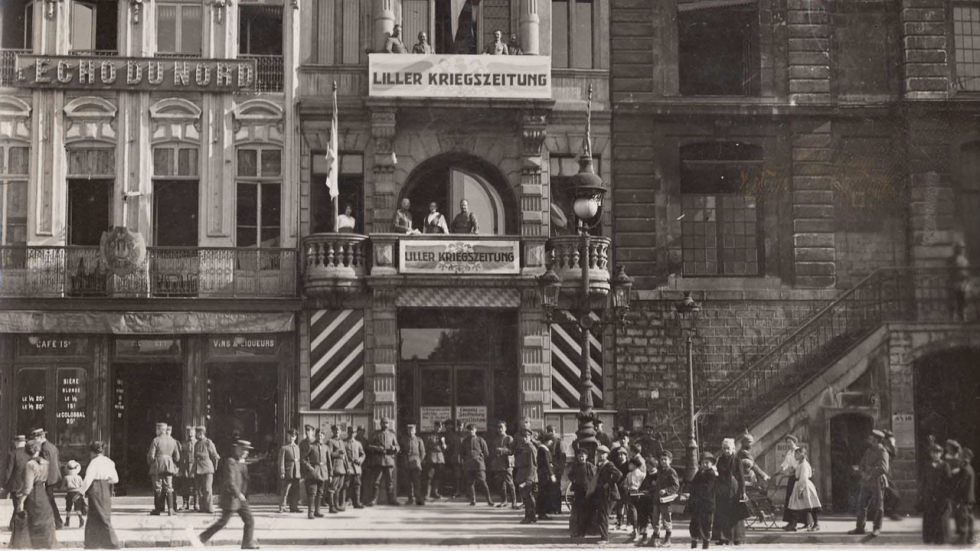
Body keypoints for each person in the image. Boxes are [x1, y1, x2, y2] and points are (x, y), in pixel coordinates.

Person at [195, 440, 258, 550]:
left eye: (247, 450)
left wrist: (244, 495)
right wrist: (238, 494)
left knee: (249, 520)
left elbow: (245, 480)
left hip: (240, 499)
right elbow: (230, 481)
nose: (245, 452)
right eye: (243, 449)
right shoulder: (231, 462)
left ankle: (247, 543)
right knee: (222, 522)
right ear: (237, 449)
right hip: (231, 498)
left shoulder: (241, 463)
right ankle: (201, 538)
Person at [15, 441, 58, 549]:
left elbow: (28, 487)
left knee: (32, 520)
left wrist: (21, 502)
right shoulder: (45, 462)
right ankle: (45, 544)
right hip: (42, 493)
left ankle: (34, 545)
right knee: (44, 518)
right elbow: (42, 480)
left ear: (26, 451)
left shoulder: (29, 464)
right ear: (38, 450)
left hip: (32, 495)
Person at [848, 429, 889, 537]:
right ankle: (860, 527)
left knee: (878, 506)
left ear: (876, 440)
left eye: (871, 438)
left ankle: (877, 528)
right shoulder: (869, 451)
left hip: (877, 481)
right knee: (862, 504)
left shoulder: (883, 452)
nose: (869, 440)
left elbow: (884, 468)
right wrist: (862, 473)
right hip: (866, 481)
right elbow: (862, 464)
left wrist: (871, 474)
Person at [80, 441, 120, 549]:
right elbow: (115, 479)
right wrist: (105, 480)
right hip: (105, 488)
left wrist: (81, 491)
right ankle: (96, 543)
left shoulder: (94, 463)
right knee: (103, 514)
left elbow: (88, 479)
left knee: (96, 516)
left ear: (92, 452)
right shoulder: (109, 462)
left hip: (95, 488)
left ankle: (111, 543)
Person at [713, 438, 747, 546]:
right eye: (724, 448)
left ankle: (737, 538)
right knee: (722, 513)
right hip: (722, 490)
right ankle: (724, 538)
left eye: (728, 448)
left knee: (734, 514)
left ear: (733, 448)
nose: (726, 450)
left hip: (734, 490)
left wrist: (743, 491)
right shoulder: (720, 460)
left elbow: (741, 477)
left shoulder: (737, 460)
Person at [30, 428, 64, 531]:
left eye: (36, 438)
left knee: (49, 501)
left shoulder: (43, 449)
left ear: (40, 437)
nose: (35, 441)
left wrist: (43, 479)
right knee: (49, 500)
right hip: (54, 477)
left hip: (48, 478)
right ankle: (56, 522)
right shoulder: (52, 446)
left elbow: (45, 465)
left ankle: (58, 522)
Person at [589, 445, 622, 543]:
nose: (600, 455)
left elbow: (618, 474)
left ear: (607, 455)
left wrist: (609, 483)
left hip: (610, 494)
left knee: (603, 515)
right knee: (602, 514)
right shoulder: (600, 465)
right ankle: (604, 534)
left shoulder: (609, 464)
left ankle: (604, 538)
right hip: (603, 494)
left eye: (602, 454)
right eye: (598, 453)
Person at [920, 442, 951, 544]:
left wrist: (945, 495)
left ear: (941, 454)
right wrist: (922, 494)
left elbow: (948, 482)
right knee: (929, 516)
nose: (935, 455)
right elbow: (924, 481)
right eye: (933, 452)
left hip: (940, 495)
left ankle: (941, 539)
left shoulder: (945, 465)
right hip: (928, 494)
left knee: (940, 517)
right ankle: (928, 538)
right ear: (930, 454)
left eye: (938, 452)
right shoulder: (927, 465)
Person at [148, 421, 180, 516]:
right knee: (169, 487)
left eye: (157, 429)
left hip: (157, 466)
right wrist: (171, 461)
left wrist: (150, 463)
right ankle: (170, 510)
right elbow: (177, 457)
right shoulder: (173, 441)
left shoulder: (156, 440)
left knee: (158, 487)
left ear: (160, 430)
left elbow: (151, 455)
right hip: (169, 466)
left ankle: (157, 510)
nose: (156, 431)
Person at [367, 417, 400, 506]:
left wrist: (394, 448)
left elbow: (397, 447)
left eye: (386, 423)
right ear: (380, 424)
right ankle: (374, 499)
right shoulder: (376, 434)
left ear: (389, 424)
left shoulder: (392, 435)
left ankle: (391, 500)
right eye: (383, 423)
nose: (385, 425)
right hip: (379, 461)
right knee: (376, 481)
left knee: (389, 482)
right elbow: (369, 446)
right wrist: (377, 448)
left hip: (389, 461)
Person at [787, 447, 821, 531]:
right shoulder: (800, 464)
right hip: (799, 485)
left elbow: (804, 478)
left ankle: (816, 524)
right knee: (796, 505)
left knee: (810, 505)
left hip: (804, 486)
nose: (794, 456)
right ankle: (796, 524)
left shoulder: (804, 465)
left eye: (796, 454)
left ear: (801, 454)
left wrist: (801, 489)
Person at [689, 452, 718, 550]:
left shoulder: (711, 474)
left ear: (711, 464)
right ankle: (694, 542)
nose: (705, 465)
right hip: (698, 503)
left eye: (707, 463)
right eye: (703, 463)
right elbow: (693, 484)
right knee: (694, 523)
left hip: (707, 503)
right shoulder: (699, 473)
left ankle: (706, 544)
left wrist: (697, 489)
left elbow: (708, 488)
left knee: (706, 524)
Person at [651, 450, 680, 547]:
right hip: (657, 500)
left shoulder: (671, 471)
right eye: (661, 459)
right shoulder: (660, 471)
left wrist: (666, 490)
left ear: (670, 461)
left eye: (665, 459)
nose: (663, 461)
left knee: (666, 520)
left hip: (666, 501)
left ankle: (667, 540)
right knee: (655, 519)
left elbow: (676, 486)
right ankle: (656, 539)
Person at [461, 423, 494, 506]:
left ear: (475, 430)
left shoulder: (480, 440)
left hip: (479, 465)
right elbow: (462, 453)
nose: (471, 431)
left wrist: (480, 459)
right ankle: (473, 500)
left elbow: (486, 453)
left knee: (483, 482)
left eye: (472, 429)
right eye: (469, 430)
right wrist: (466, 461)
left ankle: (489, 499)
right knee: (470, 483)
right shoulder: (465, 441)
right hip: (469, 465)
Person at [950, 443, 976, 544]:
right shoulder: (968, 468)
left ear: (965, 457)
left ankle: (963, 538)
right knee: (968, 517)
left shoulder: (965, 469)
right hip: (969, 497)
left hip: (963, 498)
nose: (958, 457)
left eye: (960, 456)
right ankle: (970, 538)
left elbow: (961, 486)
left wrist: (955, 496)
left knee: (963, 517)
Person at [567, 447, 596, 538]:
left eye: (583, 456)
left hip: (588, 491)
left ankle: (588, 530)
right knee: (577, 512)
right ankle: (577, 531)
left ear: (586, 456)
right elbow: (570, 475)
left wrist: (591, 485)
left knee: (588, 511)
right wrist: (574, 481)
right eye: (579, 456)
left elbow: (595, 477)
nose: (581, 458)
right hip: (578, 491)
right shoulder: (575, 466)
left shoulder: (590, 466)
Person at [303, 428, 330, 519]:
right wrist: (310, 467)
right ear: (316, 435)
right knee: (312, 492)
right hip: (314, 472)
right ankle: (310, 513)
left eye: (322, 435)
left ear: (324, 436)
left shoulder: (326, 447)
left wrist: (330, 474)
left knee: (320, 492)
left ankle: (317, 511)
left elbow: (329, 461)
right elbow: (303, 459)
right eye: (318, 434)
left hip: (323, 472)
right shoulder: (311, 446)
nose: (320, 436)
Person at [489, 421, 516, 509]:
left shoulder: (509, 438)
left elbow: (512, 451)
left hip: (506, 464)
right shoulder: (496, 439)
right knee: (500, 484)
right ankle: (504, 501)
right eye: (498, 428)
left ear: (505, 428)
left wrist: (502, 450)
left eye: (502, 427)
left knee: (510, 483)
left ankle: (514, 502)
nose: (500, 429)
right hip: (498, 464)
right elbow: (492, 451)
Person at [4, 435, 29, 530]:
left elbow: (8, 471)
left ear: (16, 443)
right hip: (27, 482)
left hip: (16, 484)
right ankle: (16, 524)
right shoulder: (30, 453)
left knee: (17, 505)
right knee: (23, 504)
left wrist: (4, 484)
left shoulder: (12, 454)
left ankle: (14, 525)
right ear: (25, 442)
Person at [193, 426, 220, 514]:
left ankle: (209, 507)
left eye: (196, 433)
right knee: (199, 489)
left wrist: (213, 467)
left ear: (201, 433)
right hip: (198, 468)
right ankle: (202, 507)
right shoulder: (196, 444)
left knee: (207, 488)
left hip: (207, 468)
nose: (195, 435)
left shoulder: (208, 442)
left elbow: (215, 456)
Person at [514, 429, 538, 524]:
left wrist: (528, 480)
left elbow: (533, 466)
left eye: (526, 437)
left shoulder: (531, 449)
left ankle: (529, 517)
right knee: (527, 497)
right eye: (522, 437)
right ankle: (532, 516)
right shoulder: (523, 448)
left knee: (528, 498)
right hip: (523, 474)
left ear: (530, 437)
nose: (524, 439)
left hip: (529, 476)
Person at [635, 453, 658, 545]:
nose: (648, 468)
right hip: (644, 500)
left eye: (650, 466)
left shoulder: (657, 475)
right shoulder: (647, 475)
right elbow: (643, 486)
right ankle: (644, 538)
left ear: (654, 466)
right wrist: (639, 491)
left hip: (653, 501)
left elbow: (658, 487)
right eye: (647, 466)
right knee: (643, 519)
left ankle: (656, 537)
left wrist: (650, 491)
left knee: (654, 519)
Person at [778, 434, 800, 530]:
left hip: (797, 477)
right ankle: (789, 522)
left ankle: (794, 523)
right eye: (787, 442)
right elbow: (786, 463)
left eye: (790, 442)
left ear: (794, 442)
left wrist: (793, 469)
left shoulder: (798, 451)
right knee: (789, 499)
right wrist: (783, 469)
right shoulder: (789, 452)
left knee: (794, 500)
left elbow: (800, 463)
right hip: (791, 477)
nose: (789, 444)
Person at [326, 425, 349, 513]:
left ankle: (337, 505)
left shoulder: (342, 442)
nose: (337, 432)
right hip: (335, 467)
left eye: (339, 430)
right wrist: (338, 453)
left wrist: (348, 467)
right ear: (333, 431)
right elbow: (330, 454)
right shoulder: (330, 442)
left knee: (339, 488)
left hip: (342, 468)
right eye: (335, 430)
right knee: (332, 488)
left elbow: (345, 456)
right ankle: (331, 507)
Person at [278, 429, 302, 513]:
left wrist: (300, 471)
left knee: (295, 490)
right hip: (289, 471)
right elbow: (281, 461)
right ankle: (282, 506)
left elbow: (299, 461)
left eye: (294, 436)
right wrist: (282, 472)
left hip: (296, 472)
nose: (292, 438)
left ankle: (294, 507)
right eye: (290, 436)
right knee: (286, 490)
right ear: (287, 436)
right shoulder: (284, 448)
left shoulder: (297, 447)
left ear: (295, 437)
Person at [544, 425, 566, 515]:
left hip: (556, 469)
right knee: (548, 488)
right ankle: (549, 508)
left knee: (556, 489)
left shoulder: (559, 442)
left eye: (552, 431)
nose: (550, 433)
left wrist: (560, 470)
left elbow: (562, 458)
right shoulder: (546, 442)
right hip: (548, 469)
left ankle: (557, 508)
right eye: (549, 431)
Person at [402, 423, 426, 505]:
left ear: (415, 431)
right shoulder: (404, 439)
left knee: (417, 482)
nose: (410, 431)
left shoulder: (419, 440)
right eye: (409, 430)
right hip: (407, 463)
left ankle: (418, 498)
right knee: (408, 482)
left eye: (412, 430)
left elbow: (423, 452)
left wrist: (419, 461)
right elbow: (402, 451)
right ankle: (410, 499)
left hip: (416, 463)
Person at [623, 455, 645, 541]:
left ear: (635, 465)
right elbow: (625, 484)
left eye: (630, 464)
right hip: (631, 495)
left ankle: (636, 531)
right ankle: (636, 530)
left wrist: (627, 487)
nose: (628, 466)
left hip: (638, 495)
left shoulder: (642, 475)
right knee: (634, 513)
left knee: (634, 513)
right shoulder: (629, 474)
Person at [535, 433, 556, 521]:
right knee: (543, 493)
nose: (551, 443)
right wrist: (552, 474)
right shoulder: (543, 450)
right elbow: (547, 463)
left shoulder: (543, 449)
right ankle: (542, 513)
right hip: (544, 474)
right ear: (547, 441)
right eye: (550, 441)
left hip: (543, 473)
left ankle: (541, 512)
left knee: (543, 493)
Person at [882, 429, 902, 521]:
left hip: (888, 473)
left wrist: (893, 444)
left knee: (889, 493)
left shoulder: (887, 448)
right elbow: (893, 454)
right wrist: (892, 444)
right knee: (894, 494)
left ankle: (892, 513)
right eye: (889, 439)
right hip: (884, 473)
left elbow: (894, 454)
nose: (890, 441)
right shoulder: (883, 448)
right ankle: (892, 513)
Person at [950, 241, 973, 321]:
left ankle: (963, 316)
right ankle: (953, 317)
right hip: (955, 282)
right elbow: (950, 271)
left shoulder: (965, 259)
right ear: (955, 249)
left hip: (963, 282)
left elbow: (967, 270)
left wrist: (967, 278)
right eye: (959, 248)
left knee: (964, 300)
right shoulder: (951, 259)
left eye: (962, 248)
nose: (961, 250)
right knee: (954, 300)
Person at [424, 421, 447, 500]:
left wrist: (443, 444)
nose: (438, 428)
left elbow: (446, 448)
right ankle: (427, 493)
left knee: (438, 476)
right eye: (437, 426)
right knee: (429, 476)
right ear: (434, 427)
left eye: (440, 427)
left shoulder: (443, 436)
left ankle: (435, 492)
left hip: (440, 458)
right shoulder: (430, 436)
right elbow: (425, 447)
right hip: (431, 457)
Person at [344, 426, 366, 509]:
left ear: (356, 433)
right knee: (347, 484)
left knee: (357, 484)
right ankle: (346, 501)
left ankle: (357, 502)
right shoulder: (344, 443)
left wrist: (360, 460)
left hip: (357, 467)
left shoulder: (358, 443)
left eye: (354, 432)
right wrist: (346, 465)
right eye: (350, 432)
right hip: (348, 467)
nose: (352, 434)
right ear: (348, 432)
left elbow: (363, 454)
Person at [611, 444, 630, 530]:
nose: (620, 456)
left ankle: (629, 523)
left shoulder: (629, 465)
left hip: (627, 487)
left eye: (622, 454)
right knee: (619, 505)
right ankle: (619, 522)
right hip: (618, 487)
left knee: (628, 505)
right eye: (618, 454)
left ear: (626, 455)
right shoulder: (616, 465)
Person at [63, 460, 86, 528]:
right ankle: (81, 519)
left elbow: (62, 487)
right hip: (78, 493)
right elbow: (82, 486)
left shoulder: (66, 477)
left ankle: (67, 522)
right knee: (77, 508)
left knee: (68, 507)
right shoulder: (79, 477)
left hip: (70, 493)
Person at [179, 426, 197, 512]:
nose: (190, 434)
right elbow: (181, 457)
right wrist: (183, 469)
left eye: (192, 432)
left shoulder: (198, 443)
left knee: (195, 486)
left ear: (195, 433)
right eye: (189, 432)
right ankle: (185, 503)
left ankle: (196, 504)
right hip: (186, 467)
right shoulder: (184, 444)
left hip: (195, 467)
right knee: (185, 486)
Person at [446, 419, 464, 499]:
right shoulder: (453, 436)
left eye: (461, 426)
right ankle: (457, 491)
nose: (460, 428)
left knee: (466, 475)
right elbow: (450, 447)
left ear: (463, 427)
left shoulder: (466, 435)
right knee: (457, 475)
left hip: (465, 458)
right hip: (456, 458)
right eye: (458, 426)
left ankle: (467, 491)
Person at [299, 424, 316, 507]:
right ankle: (308, 501)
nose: (308, 432)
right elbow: (301, 457)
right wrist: (307, 466)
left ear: (313, 432)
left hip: (315, 467)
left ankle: (315, 502)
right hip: (306, 467)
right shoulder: (302, 443)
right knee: (307, 484)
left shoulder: (316, 442)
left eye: (309, 430)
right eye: (306, 430)